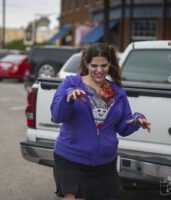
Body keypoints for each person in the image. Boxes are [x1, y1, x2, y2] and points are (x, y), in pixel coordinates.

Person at [50, 43, 151, 200]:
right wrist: (67, 98)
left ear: (110, 64)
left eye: (103, 65)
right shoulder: (70, 84)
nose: (99, 70)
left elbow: (123, 128)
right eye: (94, 65)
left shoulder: (117, 92)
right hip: (71, 158)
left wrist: (137, 120)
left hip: (105, 162)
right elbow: (57, 116)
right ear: (86, 64)